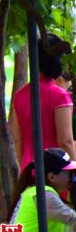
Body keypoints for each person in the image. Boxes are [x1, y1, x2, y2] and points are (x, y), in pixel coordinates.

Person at [12, 34, 75, 170]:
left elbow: (18, 140)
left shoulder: (19, 96)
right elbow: (65, 142)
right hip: (54, 171)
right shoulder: (60, 96)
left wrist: (24, 172)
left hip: (28, 169)